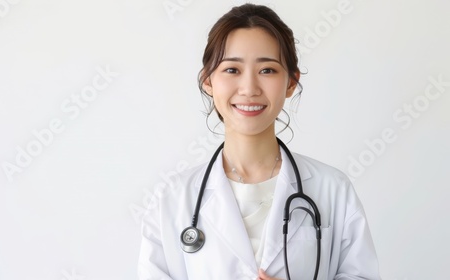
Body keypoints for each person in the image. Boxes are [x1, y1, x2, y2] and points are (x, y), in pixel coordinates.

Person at [138, 3, 381, 280]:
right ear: (208, 81)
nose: (250, 88)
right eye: (232, 70)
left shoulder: (332, 189)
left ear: (291, 83)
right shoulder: (172, 198)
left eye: (267, 70)